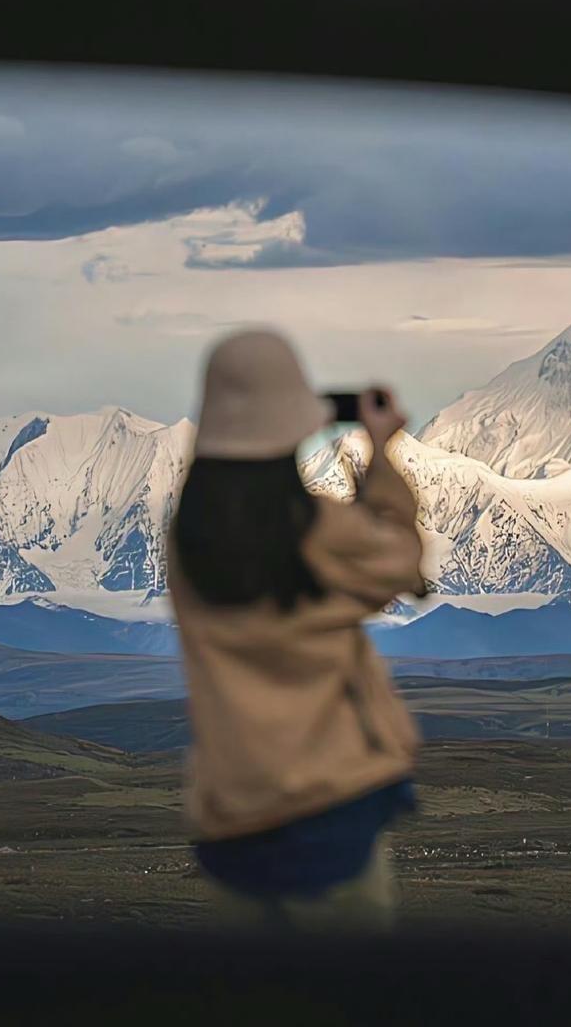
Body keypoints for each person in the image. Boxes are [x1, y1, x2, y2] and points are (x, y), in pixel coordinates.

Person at [167, 329, 426, 932]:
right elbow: (400, 561)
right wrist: (381, 452)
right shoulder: (317, 531)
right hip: (331, 802)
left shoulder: (187, 543)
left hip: (230, 814)